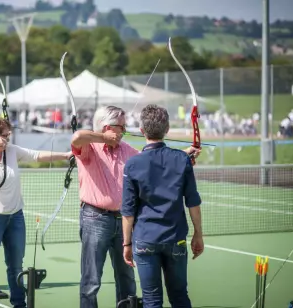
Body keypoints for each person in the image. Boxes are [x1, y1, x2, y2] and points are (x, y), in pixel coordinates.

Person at [70, 105, 200, 308]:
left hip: (123, 220)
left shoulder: (126, 150)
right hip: (95, 218)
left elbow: (151, 159)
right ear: (106, 127)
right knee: (91, 279)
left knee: (127, 278)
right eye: (120, 127)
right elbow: (77, 136)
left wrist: (184, 156)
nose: (124, 130)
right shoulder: (89, 148)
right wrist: (104, 139)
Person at [0, 116, 72, 308]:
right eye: (6, 135)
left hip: (15, 218)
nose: (9, 138)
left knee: (15, 267)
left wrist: (65, 155)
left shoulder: (11, 151)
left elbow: (37, 155)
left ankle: (19, 304)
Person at [121, 104, 204, 308]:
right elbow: (192, 201)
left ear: (142, 131)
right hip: (175, 238)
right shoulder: (182, 160)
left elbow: (128, 211)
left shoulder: (132, 164)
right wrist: (198, 234)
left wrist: (126, 243)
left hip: (145, 239)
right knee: (179, 296)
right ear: (167, 129)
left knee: (152, 300)